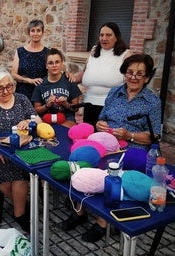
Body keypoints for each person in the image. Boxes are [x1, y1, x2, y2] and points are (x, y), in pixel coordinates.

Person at [61, 54, 161, 243]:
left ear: (147, 77)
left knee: (111, 173)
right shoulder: (115, 92)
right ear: (124, 73)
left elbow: (154, 135)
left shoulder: (152, 101)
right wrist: (100, 124)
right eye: (130, 72)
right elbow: (103, 117)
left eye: (140, 74)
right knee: (81, 160)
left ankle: (102, 222)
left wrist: (129, 136)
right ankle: (79, 211)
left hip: (132, 148)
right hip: (106, 142)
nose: (133, 77)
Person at [0, 67, 42, 233]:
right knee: (2, 176)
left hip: (22, 149)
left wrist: (28, 121)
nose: (5, 91)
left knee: (20, 172)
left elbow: (39, 121)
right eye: (0, 88)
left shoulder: (21, 99)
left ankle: (19, 213)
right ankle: (23, 205)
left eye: (9, 86)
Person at [69, 22, 132, 127]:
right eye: (101, 35)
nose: (104, 38)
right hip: (89, 105)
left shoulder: (126, 54)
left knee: (106, 139)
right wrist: (70, 78)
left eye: (108, 35)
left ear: (116, 37)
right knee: (89, 136)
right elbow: (84, 73)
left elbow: (131, 80)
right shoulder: (94, 51)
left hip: (112, 107)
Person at [31, 48, 82, 128]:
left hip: (67, 119)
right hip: (46, 119)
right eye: (50, 63)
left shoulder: (69, 81)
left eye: (57, 62)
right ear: (46, 66)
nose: (54, 65)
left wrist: (66, 104)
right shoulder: (40, 84)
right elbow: (36, 110)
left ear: (62, 64)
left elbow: (76, 108)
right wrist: (47, 105)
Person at [11, 19, 49, 101]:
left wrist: (67, 74)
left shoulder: (47, 53)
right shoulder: (20, 51)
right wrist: (29, 80)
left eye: (38, 30)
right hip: (22, 93)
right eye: (33, 31)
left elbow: (53, 71)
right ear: (29, 33)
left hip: (40, 93)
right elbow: (13, 74)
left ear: (42, 32)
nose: (35, 34)